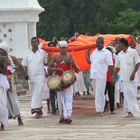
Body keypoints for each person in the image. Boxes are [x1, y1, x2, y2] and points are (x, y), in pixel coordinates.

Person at [48, 41, 79, 124]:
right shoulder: (55, 57)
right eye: (61, 47)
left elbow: (77, 70)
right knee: (60, 99)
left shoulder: (70, 57)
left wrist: (73, 64)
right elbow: (49, 68)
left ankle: (67, 116)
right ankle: (62, 116)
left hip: (68, 80)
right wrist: (57, 69)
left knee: (68, 98)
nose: (62, 49)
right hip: (58, 81)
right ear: (59, 48)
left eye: (64, 47)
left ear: (67, 48)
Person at [86, 37, 113, 116]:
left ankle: (100, 110)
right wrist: (87, 52)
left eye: (98, 43)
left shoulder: (107, 53)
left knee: (100, 93)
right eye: (96, 43)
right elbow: (89, 62)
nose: (97, 44)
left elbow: (110, 66)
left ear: (102, 43)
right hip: (94, 76)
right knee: (96, 93)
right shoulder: (94, 52)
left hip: (101, 76)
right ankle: (101, 107)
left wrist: (111, 77)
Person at [22, 37, 48, 118]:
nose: (34, 43)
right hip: (31, 76)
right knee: (34, 93)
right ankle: (39, 110)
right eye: (32, 42)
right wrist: (25, 74)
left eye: (35, 42)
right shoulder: (27, 53)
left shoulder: (43, 53)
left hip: (40, 76)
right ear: (31, 43)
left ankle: (36, 110)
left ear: (38, 42)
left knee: (38, 92)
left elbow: (46, 63)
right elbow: (24, 66)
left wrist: (50, 54)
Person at [113, 38, 140, 118]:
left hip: (132, 78)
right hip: (123, 79)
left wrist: (133, 73)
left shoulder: (133, 52)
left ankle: (131, 110)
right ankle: (129, 111)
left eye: (119, 44)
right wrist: (113, 76)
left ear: (123, 44)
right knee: (126, 95)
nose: (117, 45)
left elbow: (137, 63)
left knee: (132, 95)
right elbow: (117, 67)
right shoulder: (119, 55)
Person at [0, 41, 24, 125]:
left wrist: (24, 75)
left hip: (11, 81)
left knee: (14, 101)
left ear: (5, 50)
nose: (0, 51)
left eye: (1, 50)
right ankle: (2, 123)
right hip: (2, 81)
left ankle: (19, 118)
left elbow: (20, 66)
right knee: (3, 102)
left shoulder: (12, 58)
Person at [0, 55, 9, 130]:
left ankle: (2, 124)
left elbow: (4, 70)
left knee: (1, 104)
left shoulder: (3, 58)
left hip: (1, 82)